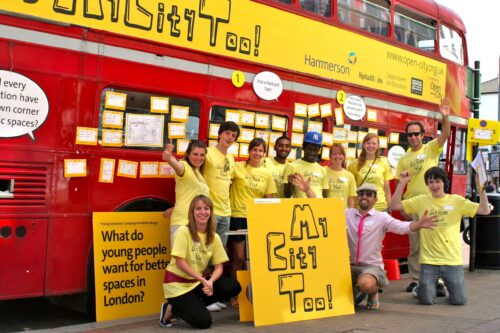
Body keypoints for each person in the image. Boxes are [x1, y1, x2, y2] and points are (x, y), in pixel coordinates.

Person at [390, 167, 491, 305]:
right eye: (431, 182)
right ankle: (424, 287)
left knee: (459, 301)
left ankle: (436, 285)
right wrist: (401, 183)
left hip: (452, 260)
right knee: (426, 300)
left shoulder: (456, 201)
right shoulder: (421, 200)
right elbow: (394, 205)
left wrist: (482, 190)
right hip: (429, 261)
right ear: (427, 184)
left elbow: (484, 210)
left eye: (438, 181)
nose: (434, 185)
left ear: (444, 182)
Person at [346, 183, 437, 309]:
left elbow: (402, 227)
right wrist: (308, 190)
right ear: (357, 198)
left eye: (369, 194)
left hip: (371, 267)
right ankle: (356, 292)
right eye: (361, 194)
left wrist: (419, 224)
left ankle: (373, 292)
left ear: (375, 199)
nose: (364, 197)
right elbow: (322, 212)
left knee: (366, 284)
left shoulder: (382, 217)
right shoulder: (348, 214)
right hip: (348, 266)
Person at [160, 195, 241, 329]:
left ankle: (193, 305)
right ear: (192, 212)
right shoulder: (183, 231)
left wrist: (210, 281)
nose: (202, 212)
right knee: (204, 322)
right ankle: (172, 308)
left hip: (197, 283)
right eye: (198, 209)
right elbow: (180, 263)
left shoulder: (213, 236)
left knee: (233, 286)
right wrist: (202, 279)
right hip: (177, 285)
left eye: (206, 208)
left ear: (211, 212)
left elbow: (219, 267)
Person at [395, 99, 450, 295]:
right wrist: (402, 209)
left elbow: (445, 134)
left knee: (436, 244)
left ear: (422, 135)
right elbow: (401, 184)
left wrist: (445, 115)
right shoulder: (403, 158)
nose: (413, 137)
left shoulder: (431, 148)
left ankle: (438, 282)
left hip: (433, 204)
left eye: (416, 134)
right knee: (416, 246)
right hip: (414, 206)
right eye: (409, 135)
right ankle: (416, 280)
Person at [228, 138, 276, 304]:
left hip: (256, 219)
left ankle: (252, 296)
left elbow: (270, 199)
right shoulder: (238, 167)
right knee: (238, 258)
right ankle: (234, 294)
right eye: (254, 149)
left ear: (264, 154)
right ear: (249, 151)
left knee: (254, 259)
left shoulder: (267, 174)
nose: (257, 153)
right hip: (238, 216)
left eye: (261, 150)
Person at [162, 140, 209, 244]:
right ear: (188, 154)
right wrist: (169, 158)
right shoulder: (184, 166)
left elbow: (191, 196)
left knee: (195, 260)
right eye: (195, 154)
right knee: (179, 260)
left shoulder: (198, 173)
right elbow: (177, 166)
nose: (199, 158)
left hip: (197, 225)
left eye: (202, 155)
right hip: (182, 223)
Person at [204, 121, 240, 248]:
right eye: (227, 133)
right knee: (206, 250)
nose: (229, 137)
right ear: (219, 134)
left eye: (233, 135)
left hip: (226, 212)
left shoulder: (231, 158)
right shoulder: (207, 153)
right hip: (209, 210)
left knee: (220, 251)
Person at [347, 133, 393, 211]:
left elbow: (387, 188)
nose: (371, 146)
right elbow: (350, 190)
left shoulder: (384, 162)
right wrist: (350, 209)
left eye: (374, 143)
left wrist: (390, 207)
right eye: (368, 143)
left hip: (380, 207)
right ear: (363, 145)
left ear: (378, 145)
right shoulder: (354, 164)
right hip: (360, 207)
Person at [283, 131, 329, 198]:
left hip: (319, 207)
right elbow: (287, 195)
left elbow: (325, 195)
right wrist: (289, 183)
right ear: (303, 147)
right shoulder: (292, 166)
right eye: (309, 149)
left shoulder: (322, 169)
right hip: (301, 207)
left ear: (319, 150)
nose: (312, 152)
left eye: (315, 150)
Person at [324, 143, 357, 208]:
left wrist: (350, 215)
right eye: (334, 154)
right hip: (326, 211)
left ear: (344, 156)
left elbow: (351, 199)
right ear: (330, 157)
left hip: (343, 213)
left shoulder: (350, 176)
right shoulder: (323, 171)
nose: (337, 156)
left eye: (340, 154)